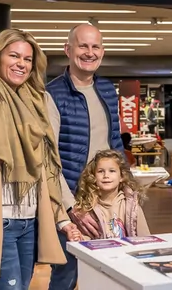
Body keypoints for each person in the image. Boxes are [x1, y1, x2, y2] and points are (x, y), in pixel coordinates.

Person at [0, 28, 78, 290]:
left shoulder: (37, 103)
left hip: (31, 220)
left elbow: (46, 167)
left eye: (27, 59)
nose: (21, 64)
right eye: (14, 56)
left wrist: (60, 217)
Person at [45, 23, 124, 290]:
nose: (90, 52)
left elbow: (115, 145)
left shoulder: (107, 89)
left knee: (110, 266)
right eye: (83, 46)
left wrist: (126, 189)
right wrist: (71, 207)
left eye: (95, 46)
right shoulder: (52, 94)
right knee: (67, 271)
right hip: (70, 199)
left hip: (107, 197)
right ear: (68, 50)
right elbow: (49, 160)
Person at [74, 149, 150, 239]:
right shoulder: (87, 206)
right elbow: (86, 239)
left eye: (112, 171)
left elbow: (145, 238)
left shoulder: (132, 207)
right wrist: (78, 237)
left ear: (122, 176)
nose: (106, 175)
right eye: (101, 171)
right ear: (93, 176)